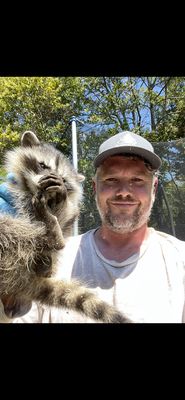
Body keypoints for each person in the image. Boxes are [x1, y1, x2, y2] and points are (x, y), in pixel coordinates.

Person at [0, 130, 185, 323]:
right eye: (111, 180)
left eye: (137, 180)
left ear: (153, 188)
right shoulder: (60, 254)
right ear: (95, 188)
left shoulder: (179, 261)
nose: (123, 192)